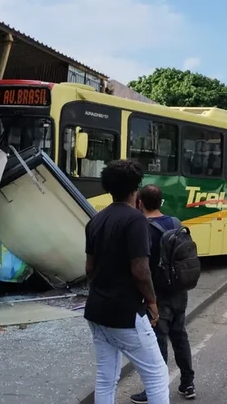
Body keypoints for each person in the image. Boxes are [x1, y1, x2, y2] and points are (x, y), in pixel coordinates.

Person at [84, 160, 169, 404]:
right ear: (136, 190)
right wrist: (152, 302)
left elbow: (89, 268)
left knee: (105, 377)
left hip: (96, 310)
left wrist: (102, 291)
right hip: (126, 312)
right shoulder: (136, 220)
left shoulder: (95, 221)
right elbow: (140, 271)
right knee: (156, 373)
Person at [131, 184, 196, 403]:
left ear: (140, 203)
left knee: (158, 343)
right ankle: (188, 383)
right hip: (180, 290)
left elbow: (144, 267)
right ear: (161, 202)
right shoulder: (175, 222)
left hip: (159, 294)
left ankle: (155, 390)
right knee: (180, 337)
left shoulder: (145, 229)